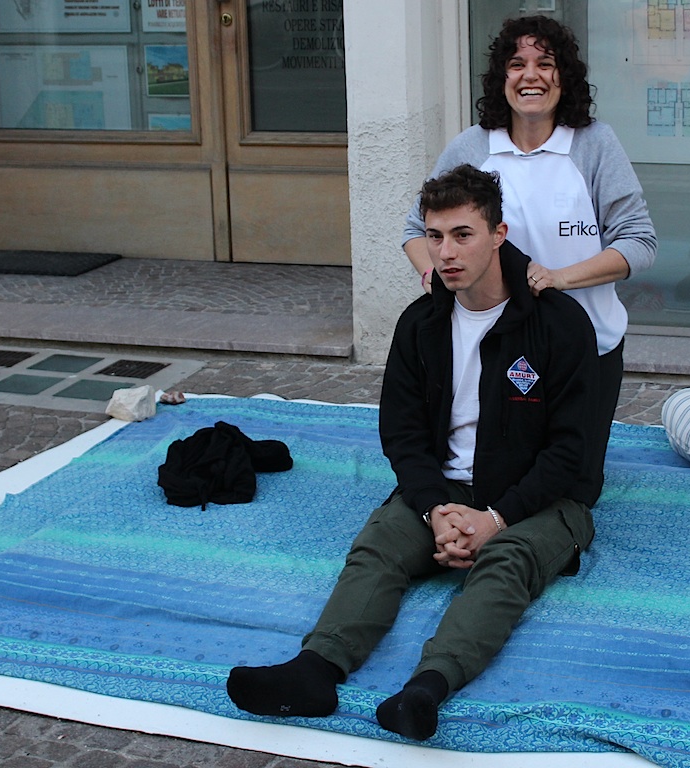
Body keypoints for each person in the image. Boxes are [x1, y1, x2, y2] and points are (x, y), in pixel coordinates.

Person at [227, 164, 602, 741]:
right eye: (434, 236)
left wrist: (496, 518)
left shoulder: (559, 323)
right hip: (444, 490)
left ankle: (426, 690)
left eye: (462, 234)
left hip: (541, 500)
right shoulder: (422, 322)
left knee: (507, 563)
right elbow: (401, 434)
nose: (445, 252)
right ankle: (315, 671)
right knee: (378, 545)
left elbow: (573, 449)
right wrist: (434, 510)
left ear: (498, 234)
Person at [403, 15, 657, 482]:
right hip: (494, 346)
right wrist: (432, 276)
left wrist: (559, 278)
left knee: (575, 485)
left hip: (587, 346)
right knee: (492, 475)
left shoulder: (595, 145)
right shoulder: (472, 146)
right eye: (517, 64)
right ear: (502, 77)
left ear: (565, 75)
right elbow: (416, 229)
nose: (530, 76)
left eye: (545, 63)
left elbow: (638, 242)